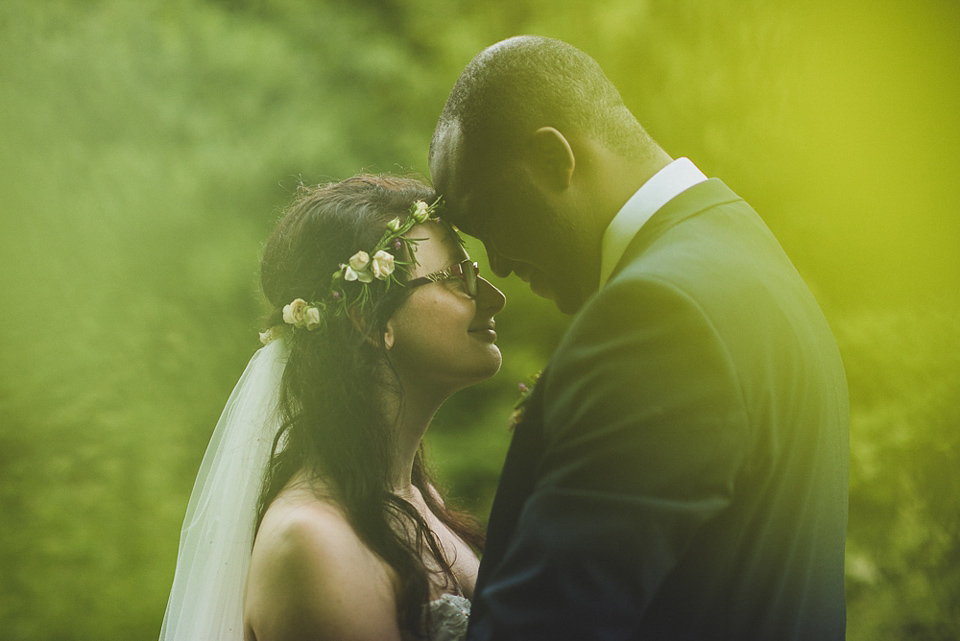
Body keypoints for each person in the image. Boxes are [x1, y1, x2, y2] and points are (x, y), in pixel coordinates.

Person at [430, 36, 849, 640]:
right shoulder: (736, 242)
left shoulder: (658, 315)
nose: (494, 263)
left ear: (555, 161)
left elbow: (551, 622)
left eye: (487, 214)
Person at [159, 174, 506, 641]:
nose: (494, 298)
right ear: (370, 320)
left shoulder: (417, 501)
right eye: (457, 277)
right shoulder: (313, 544)